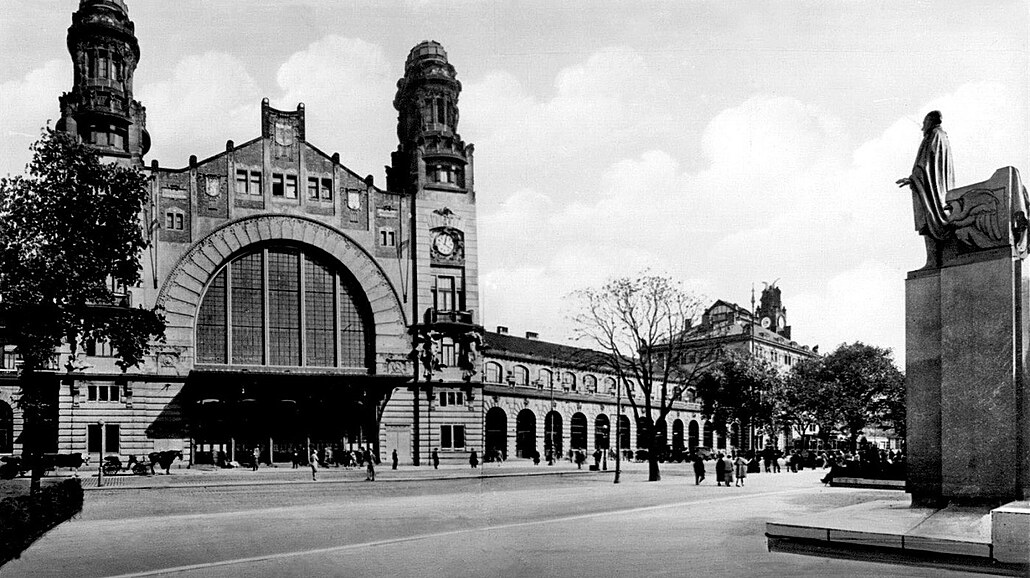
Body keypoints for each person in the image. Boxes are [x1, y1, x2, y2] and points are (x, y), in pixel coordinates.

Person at [897, 110, 954, 269]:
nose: (922, 127)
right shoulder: (943, 136)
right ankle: (935, 260)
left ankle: (932, 260)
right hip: (938, 187)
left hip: (929, 187)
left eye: (924, 123)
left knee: (929, 218)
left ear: (931, 121)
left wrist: (913, 178)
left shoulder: (934, 135)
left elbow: (925, 163)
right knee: (931, 218)